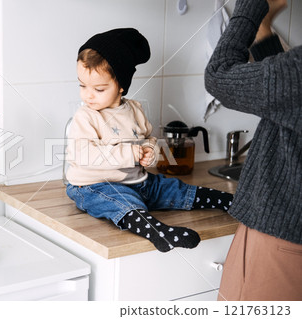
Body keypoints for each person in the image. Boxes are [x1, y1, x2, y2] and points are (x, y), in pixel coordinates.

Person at [66, 28, 234, 253]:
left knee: (171, 187)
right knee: (121, 201)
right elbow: (84, 154)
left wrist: (149, 151)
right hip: (94, 186)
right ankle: (158, 232)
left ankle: (229, 201)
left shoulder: (134, 110)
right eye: (82, 85)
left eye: (98, 88)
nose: (88, 95)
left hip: (139, 181)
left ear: (121, 85)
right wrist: (128, 153)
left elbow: (148, 138)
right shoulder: (86, 116)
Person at [205, 0, 301, 300]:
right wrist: (263, 27)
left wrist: (251, 4)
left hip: (281, 243)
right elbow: (288, 96)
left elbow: (218, 76)